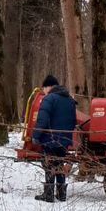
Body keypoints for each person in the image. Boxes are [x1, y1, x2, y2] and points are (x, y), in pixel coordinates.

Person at [31, 74, 77, 203]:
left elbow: (42, 120)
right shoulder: (69, 99)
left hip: (50, 138)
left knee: (48, 164)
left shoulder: (49, 98)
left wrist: (36, 136)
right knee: (59, 164)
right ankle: (61, 194)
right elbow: (73, 121)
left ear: (48, 87)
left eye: (43, 88)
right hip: (65, 139)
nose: (43, 91)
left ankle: (49, 194)